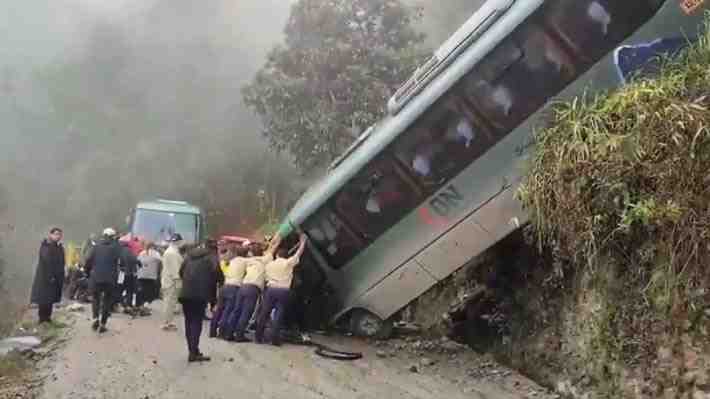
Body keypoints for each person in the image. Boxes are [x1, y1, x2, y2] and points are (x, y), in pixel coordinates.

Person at [256, 234, 307, 346]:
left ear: (277, 255)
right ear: (285, 256)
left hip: (270, 290)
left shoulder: (269, 264)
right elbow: (299, 253)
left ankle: (258, 337)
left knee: (264, 312)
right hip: (284, 291)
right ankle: (275, 339)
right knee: (279, 314)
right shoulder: (288, 263)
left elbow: (269, 253)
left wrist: (276, 242)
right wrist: (302, 242)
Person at [178, 240, 222, 362]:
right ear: (213, 249)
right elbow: (218, 277)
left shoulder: (188, 257)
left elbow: (180, 273)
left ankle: (192, 350)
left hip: (185, 294)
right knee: (196, 322)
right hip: (200, 295)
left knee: (188, 321)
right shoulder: (211, 258)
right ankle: (193, 353)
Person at [232, 237, 279, 343]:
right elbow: (273, 249)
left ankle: (228, 332)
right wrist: (277, 239)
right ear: (262, 252)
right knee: (246, 313)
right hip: (253, 289)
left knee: (237, 310)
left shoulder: (249, 260)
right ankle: (239, 336)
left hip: (243, 286)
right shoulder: (265, 260)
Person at [84, 228, 123, 333]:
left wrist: (87, 273)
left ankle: (95, 318)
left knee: (95, 298)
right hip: (110, 279)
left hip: (96, 277)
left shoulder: (96, 247)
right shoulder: (117, 248)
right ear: (113, 237)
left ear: (103, 235)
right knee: (107, 300)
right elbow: (122, 262)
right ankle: (103, 323)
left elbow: (88, 260)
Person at [30, 227, 66, 324]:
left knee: (50, 299)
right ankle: (42, 319)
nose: (58, 236)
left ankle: (47, 318)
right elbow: (47, 262)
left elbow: (61, 262)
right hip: (45, 278)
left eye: (59, 234)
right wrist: (51, 276)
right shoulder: (46, 246)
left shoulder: (59, 247)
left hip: (55, 277)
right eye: (56, 234)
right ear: (51, 235)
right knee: (44, 299)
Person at [217, 245, 249, 339]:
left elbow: (223, 262)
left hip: (225, 286)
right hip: (234, 288)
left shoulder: (229, 262)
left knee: (223, 311)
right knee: (229, 311)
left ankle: (220, 332)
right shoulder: (244, 261)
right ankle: (226, 333)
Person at [161, 233, 184, 331]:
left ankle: (168, 321)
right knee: (169, 303)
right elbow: (176, 270)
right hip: (172, 282)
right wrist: (178, 283)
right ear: (178, 241)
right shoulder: (173, 253)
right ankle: (166, 323)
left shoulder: (170, 251)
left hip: (168, 280)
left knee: (170, 302)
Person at [136, 241, 162, 316]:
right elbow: (161, 260)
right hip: (151, 276)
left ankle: (142, 306)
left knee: (142, 292)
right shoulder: (155, 253)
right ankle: (144, 308)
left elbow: (138, 261)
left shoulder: (141, 253)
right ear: (153, 246)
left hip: (141, 275)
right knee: (149, 293)